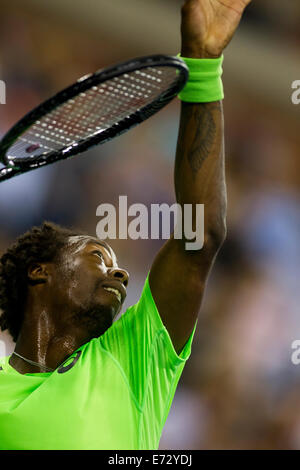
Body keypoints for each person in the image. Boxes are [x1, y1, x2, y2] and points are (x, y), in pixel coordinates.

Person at [0, 0, 251, 450]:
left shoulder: (135, 358)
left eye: (114, 262)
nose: (120, 272)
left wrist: (205, 63)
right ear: (40, 271)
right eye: (97, 256)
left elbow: (201, 237)